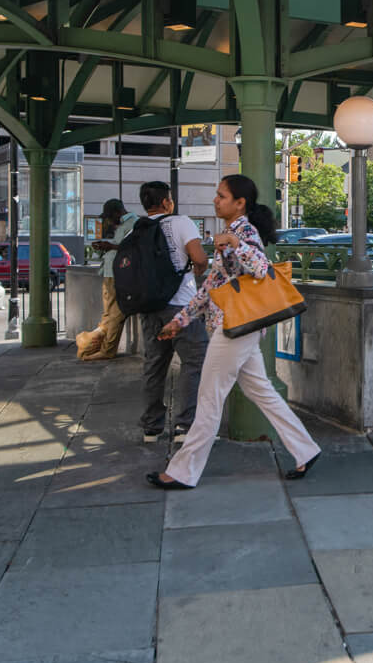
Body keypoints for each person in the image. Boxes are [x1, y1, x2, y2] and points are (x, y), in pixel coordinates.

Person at [146, 174, 322, 489]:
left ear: (240, 203)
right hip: (238, 326)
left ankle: (182, 472)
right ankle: (306, 450)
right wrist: (181, 320)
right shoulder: (229, 232)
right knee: (263, 393)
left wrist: (237, 244)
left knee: (209, 398)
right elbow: (212, 285)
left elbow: (261, 268)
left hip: (234, 329)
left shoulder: (243, 231)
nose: (216, 200)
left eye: (222, 196)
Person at [135, 181, 209, 442]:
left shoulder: (137, 228)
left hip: (149, 307)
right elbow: (199, 259)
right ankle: (184, 426)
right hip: (181, 306)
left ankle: (151, 427)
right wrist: (197, 270)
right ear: (167, 202)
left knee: (154, 365)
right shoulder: (182, 222)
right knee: (195, 360)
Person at [76, 199, 138, 361]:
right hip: (110, 272)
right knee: (109, 313)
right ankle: (94, 347)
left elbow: (133, 247)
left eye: (109, 217)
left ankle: (106, 349)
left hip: (119, 273)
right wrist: (107, 246)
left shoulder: (134, 223)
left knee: (115, 313)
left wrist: (109, 247)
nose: (108, 221)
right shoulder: (123, 225)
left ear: (117, 212)